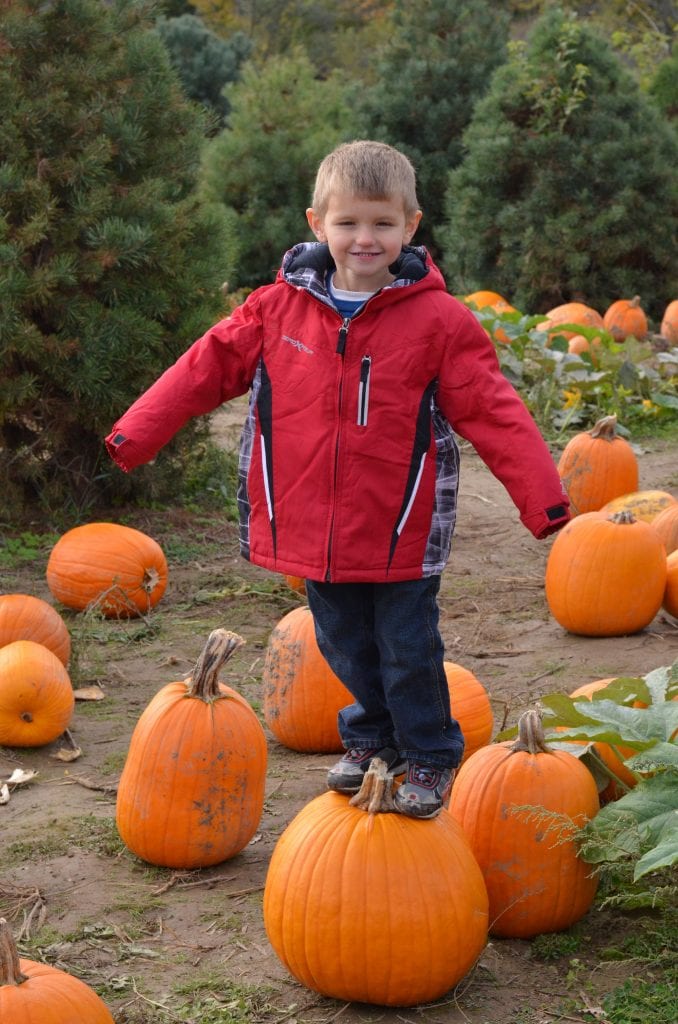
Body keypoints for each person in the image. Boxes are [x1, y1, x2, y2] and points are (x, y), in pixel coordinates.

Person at [106, 140, 570, 819]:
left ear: (411, 226)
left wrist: (544, 500)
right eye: (348, 222)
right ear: (316, 222)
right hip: (308, 523)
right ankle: (373, 741)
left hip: (398, 526)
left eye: (382, 223)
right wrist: (134, 433)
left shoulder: (439, 322)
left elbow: (494, 410)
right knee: (340, 642)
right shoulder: (276, 309)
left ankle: (432, 755)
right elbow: (200, 370)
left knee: (408, 649)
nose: (364, 238)